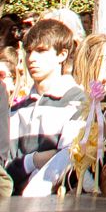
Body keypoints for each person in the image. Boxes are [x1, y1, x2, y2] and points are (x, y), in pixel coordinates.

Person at [5, 19, 90, 191]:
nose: (32, 58)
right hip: (13, 203)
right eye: (29, 52)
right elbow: (4, 169)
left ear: (62, 55)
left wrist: (25, 167)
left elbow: (68, 163)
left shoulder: (78, 103)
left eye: (41, 51)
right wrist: (33, 160)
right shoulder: (16, 110)